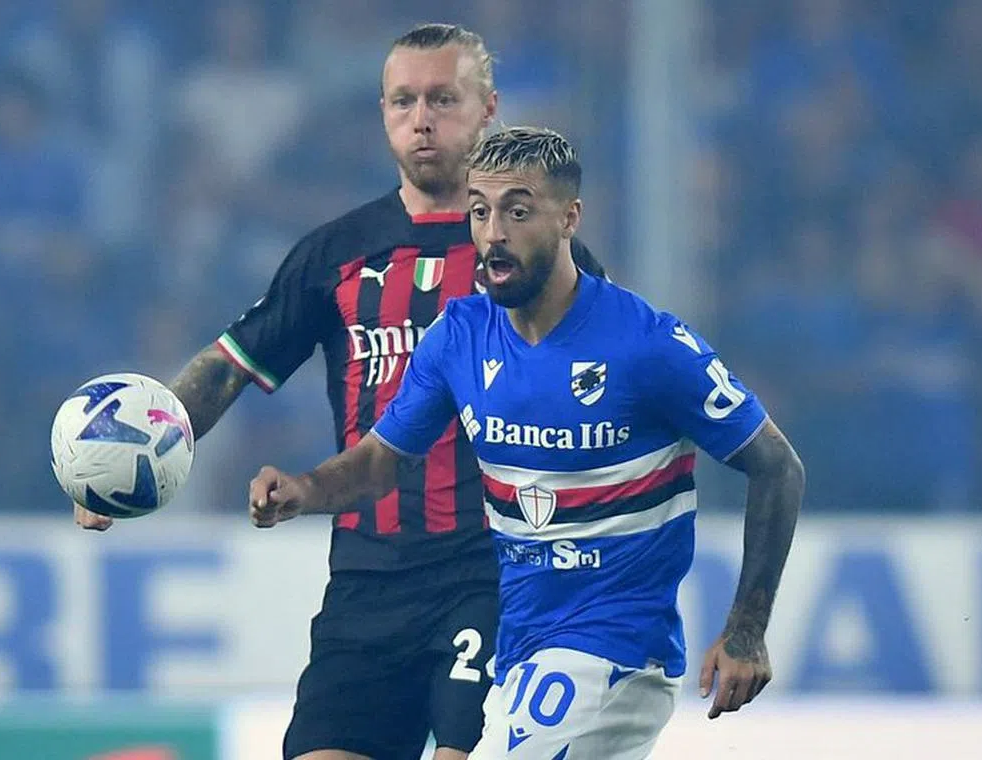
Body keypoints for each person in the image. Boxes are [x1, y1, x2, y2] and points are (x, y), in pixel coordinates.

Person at [73, 25, 606, 760]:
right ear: (382, 113)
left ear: (488, 109)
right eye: (403, 101)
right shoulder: (337, 253)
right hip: (365, 584)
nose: (422, 118)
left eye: (443, 99)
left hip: (496, 571)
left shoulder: (540, 253)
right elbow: (231, 367)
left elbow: (612, 392)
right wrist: (124, 458)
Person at [248, 127, 805, 758]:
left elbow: (777, 467)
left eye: (518, 210)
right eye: (480, 211)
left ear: (570, 218)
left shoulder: (647, 344)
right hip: (516, 651)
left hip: (613, 653)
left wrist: (748, 629)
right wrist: (304, 488)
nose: (493, 233)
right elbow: (381, 460)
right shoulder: (459, 335)